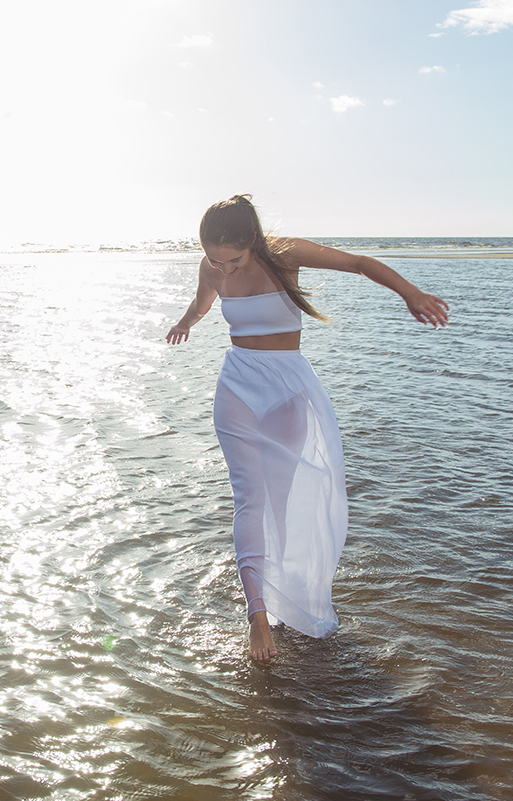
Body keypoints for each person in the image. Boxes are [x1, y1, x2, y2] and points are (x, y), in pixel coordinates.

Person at [166, 195, 449, 661]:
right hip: (237, 385)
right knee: (249, 498)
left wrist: (410, 293)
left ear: (253, 242)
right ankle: (257, 616)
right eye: (216, 261)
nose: (225, 270)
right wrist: (184, 324)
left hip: (287, 388)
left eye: (233, 260)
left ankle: (282, 591)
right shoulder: (211, 267)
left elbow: (358, 263)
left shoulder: (285, 255)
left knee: (279, 502)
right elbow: (201, 304)